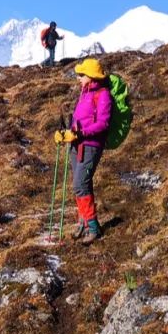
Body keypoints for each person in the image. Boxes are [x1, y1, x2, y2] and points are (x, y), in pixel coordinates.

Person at [54, 58, 112, 245]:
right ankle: (83, 222)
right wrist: (65, 134)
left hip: (91, 145)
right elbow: (78, 120)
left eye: (82, 75)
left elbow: (103, 124)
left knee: (81, 184)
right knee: (78, 184)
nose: (78, 78)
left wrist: (80, 133)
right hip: (76, 144)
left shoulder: (103, 95)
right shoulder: (84, 93)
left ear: (92, 76)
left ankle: (94, 228)